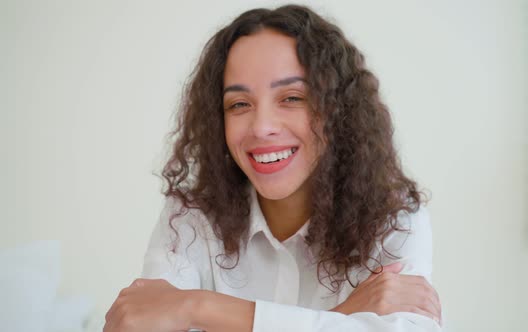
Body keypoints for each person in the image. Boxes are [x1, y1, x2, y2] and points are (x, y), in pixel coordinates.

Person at [104, 4, 443, 332]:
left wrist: (195, 307)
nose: (262, 126)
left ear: (338, 109)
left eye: (292, 98)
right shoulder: (189, 218)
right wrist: (342, 316)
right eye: (239, 104)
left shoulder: (393, 218)